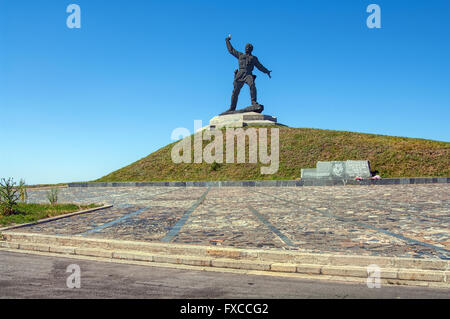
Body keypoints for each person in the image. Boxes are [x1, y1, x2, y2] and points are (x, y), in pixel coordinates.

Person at [225, 35, 272, 113]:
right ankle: (232, 107)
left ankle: (253, 102)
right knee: (235, 91)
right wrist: (227, 40)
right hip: (240, 74)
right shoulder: (240, 55)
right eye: (246, 47)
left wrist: (266, 71)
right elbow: (231, 50)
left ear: (251, 50)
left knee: (252, 85)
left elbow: (259, 66)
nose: (246, 48)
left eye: (248, 48)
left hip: (248, 74)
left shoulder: (253, 58)